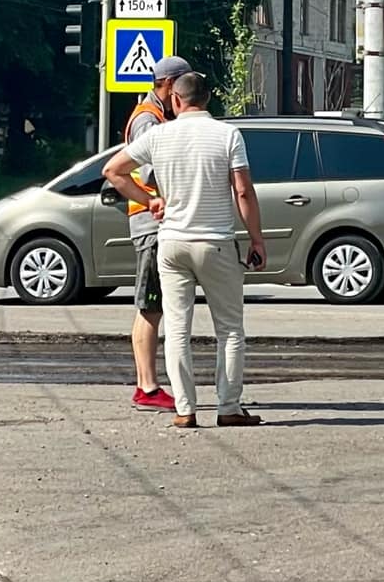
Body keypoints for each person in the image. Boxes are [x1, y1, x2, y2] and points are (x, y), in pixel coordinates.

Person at [103, 71, 268, 429]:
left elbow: (113, 171)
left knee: (177, 328)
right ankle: (228, 407)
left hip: (172, 243)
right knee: (229, 329)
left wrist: (149, 201)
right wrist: (256, 238)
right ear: (207, 99)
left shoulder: (159, 135)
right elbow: (243, 191)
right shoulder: (228, 135)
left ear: (176, 100)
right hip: (216, 243)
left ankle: (185, 409)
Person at [122, 53, 191, 413]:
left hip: (155, 220)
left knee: (153, 305)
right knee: (150, 305)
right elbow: (153, 170)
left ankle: (147, 385)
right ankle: (147, 387)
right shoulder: (148, 119)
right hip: (151, 223)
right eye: (181, 82)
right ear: (167, 84)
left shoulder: (158, 115)